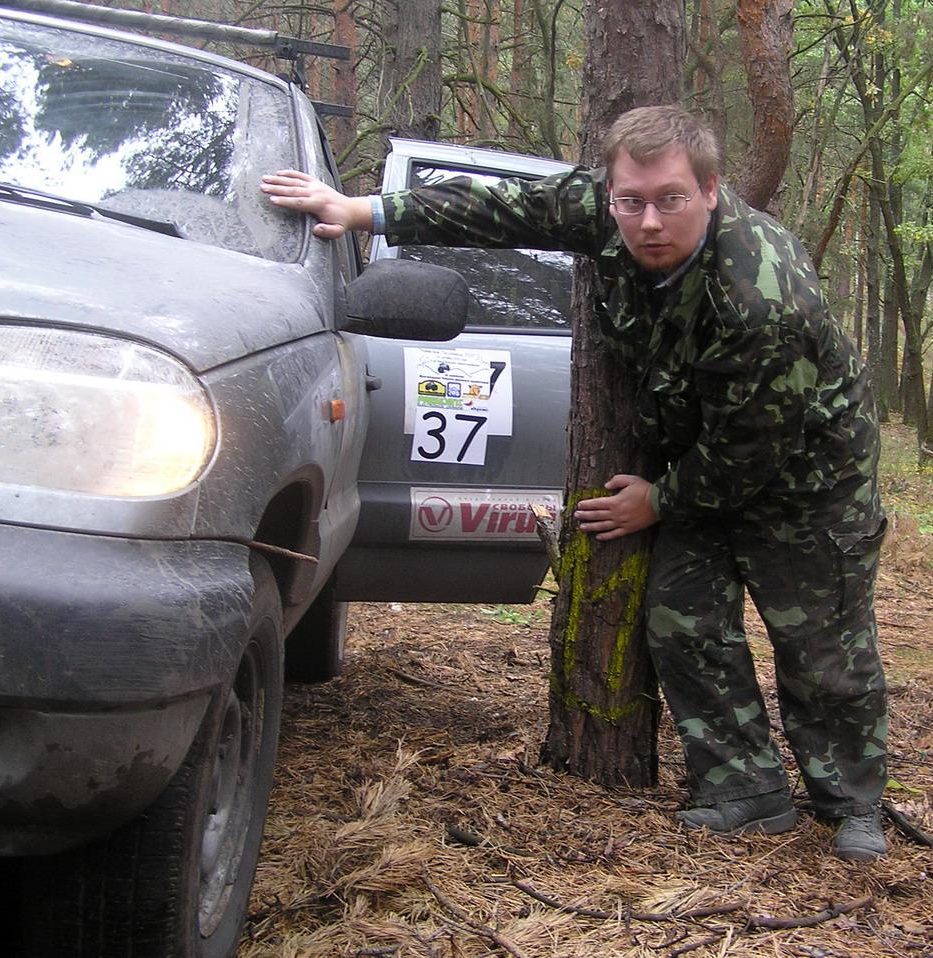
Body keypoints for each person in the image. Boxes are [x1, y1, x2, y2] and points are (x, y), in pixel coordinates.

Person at [261, 106, 890, 861]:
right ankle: (747, 790)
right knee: (682, 620)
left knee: (821, 647)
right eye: (631, 201)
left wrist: (658, 500)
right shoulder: (607, 208)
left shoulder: (761, 297)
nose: (648, 222)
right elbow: (506, 207)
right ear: (611, 192)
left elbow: (753, 447)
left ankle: (851, 803)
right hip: (701, 462)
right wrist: (365, 211)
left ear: (710, 190)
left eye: (670, 200)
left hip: (805, 482)